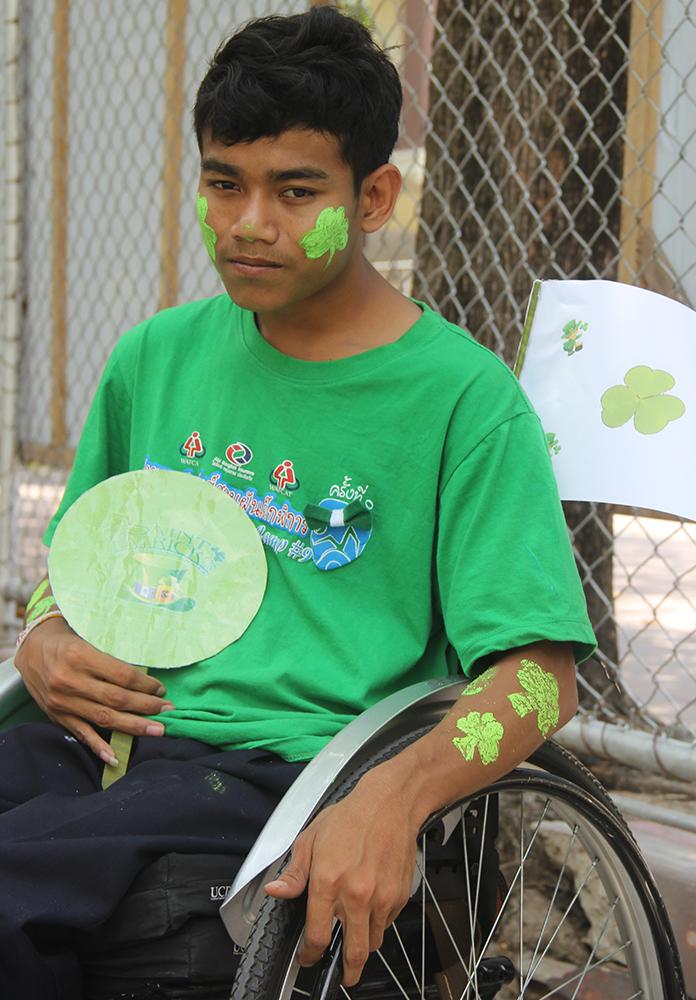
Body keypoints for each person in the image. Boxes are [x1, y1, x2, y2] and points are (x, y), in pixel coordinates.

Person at [5, 6, 596, 998]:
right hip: (117, 745)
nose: (248, 223)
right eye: (223, 184)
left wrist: (391, 798)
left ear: (374, 196)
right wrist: (46, 634)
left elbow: (540, 676)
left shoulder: (462, 401)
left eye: (294, 191)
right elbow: (79, 566)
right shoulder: (156, 356)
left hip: (288, 773)